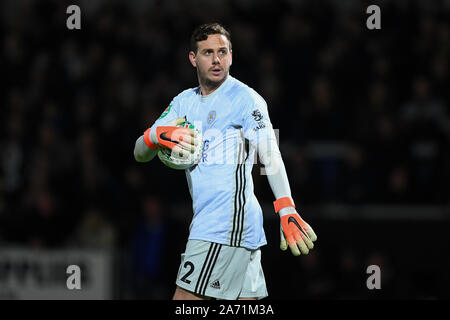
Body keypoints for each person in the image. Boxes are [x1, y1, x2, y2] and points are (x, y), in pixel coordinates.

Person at [133, 23, 317, 300]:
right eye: (207, 52)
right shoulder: (183, 102)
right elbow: (139, 152)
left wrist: (286, 207)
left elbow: (269, 152)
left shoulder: (246, 99)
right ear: (193, 59)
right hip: (233, 229)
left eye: (222, 52)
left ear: (231, 55)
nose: (216, 59)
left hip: (222, 225)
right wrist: (156, 135)